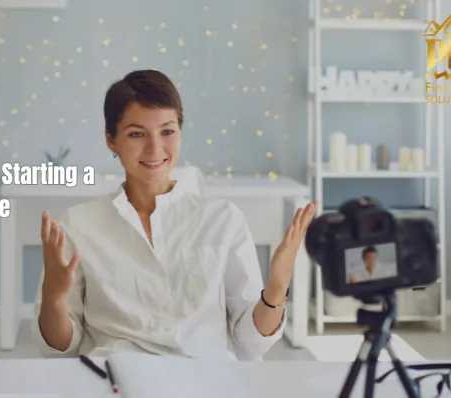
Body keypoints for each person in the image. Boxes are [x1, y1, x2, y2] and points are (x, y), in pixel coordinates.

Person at [31, 69, 317, 360]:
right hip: (115, 380)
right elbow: (58, 350)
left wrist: (277, 287)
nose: (155, 148)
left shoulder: (222, 219)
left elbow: (252, 342)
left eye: (167, 131)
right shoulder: (79, 225)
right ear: (111, 140)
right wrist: (54, 299)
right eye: (137, 134)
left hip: (204, 382)